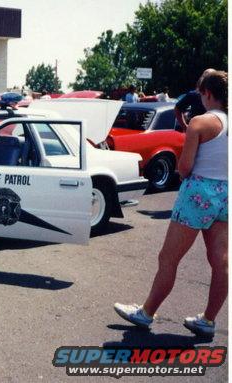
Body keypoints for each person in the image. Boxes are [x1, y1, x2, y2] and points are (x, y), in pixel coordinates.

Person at [113, 70, 228, 337]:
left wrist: (183, 167)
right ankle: (208, 320)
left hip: (198, 191)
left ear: (207, 93)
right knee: (221, 262)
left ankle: (146, 313)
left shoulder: (200, 123)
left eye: (201, 93)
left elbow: (185, 167)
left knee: (169, 258)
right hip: (226, 193)